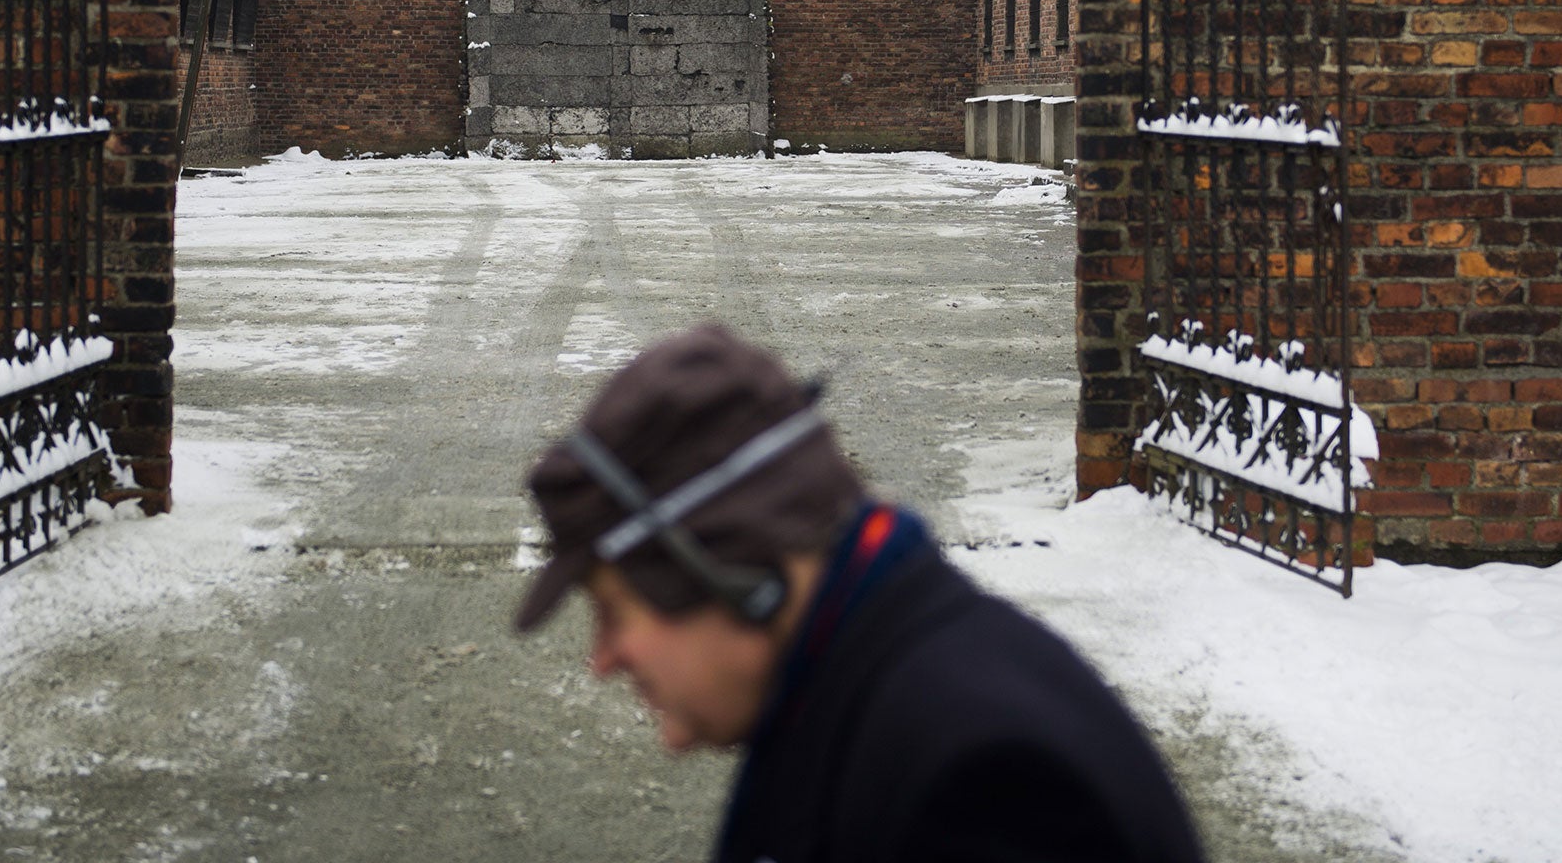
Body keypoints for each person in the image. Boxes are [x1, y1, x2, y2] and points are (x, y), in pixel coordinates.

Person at [515, 323, 1206, 863]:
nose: (602, 658)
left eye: (612, 609)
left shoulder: (986, 792)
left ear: (731, 572)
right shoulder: (860, 678)